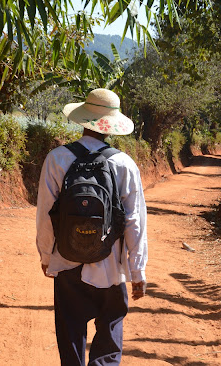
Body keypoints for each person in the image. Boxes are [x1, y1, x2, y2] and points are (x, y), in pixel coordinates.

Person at [36, 88, 148, 366]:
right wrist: (137, 269)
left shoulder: (57, 159)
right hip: (111, 268)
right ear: (111, 126)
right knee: (110, 334)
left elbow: (45, 214)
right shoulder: (124, 164)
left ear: (84, 119)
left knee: (70, 332)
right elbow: (134, 220)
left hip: (66, 260)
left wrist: (47, 257)